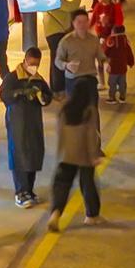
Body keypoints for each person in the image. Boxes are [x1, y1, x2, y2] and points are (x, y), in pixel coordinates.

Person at [46, 84, 104, 232]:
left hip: (66, 154)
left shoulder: (65, 108)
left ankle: (55, 213)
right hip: (84, 155)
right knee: (88, 184)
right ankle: (91, 215)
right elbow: (91, 135)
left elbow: (59, 132)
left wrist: (60, 153)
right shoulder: (88, 111)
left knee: (62, 185)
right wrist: (94, 155)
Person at [0, 48, 51, 207]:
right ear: (25, 60)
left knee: (34, 153)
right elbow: (4, 94)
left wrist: (42, 97)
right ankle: (20, 192)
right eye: (32, 63)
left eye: (37, 64)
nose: (34, 66)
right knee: (20, 153)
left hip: (34, 122)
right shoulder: (12, 77)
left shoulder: (38, 79)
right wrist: (20, 92)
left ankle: (29, 189)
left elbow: (48, 95)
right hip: (18, 122)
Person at [52, 8, 104, 114]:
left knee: (92, 111)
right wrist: (66, 65)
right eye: (79, 22)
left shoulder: (94, 40)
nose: (82, 25)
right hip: (73, 80)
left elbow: (100, 56)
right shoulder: (66, 41)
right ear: (73, 23)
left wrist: (107, 62)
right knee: (75, 113)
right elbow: (58, 61)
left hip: (90, 79)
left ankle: (94, 130)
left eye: (85, 21)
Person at [102, 17, 135, 105]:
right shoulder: (125, 41)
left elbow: (106, 51)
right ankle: (122, 97)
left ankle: (112, 97)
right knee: (122, 83)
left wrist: (103, 59)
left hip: (113, 67)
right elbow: (129, 53)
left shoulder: (110, 40)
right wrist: (131, 62)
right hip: (123, 67)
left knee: (112, 83)